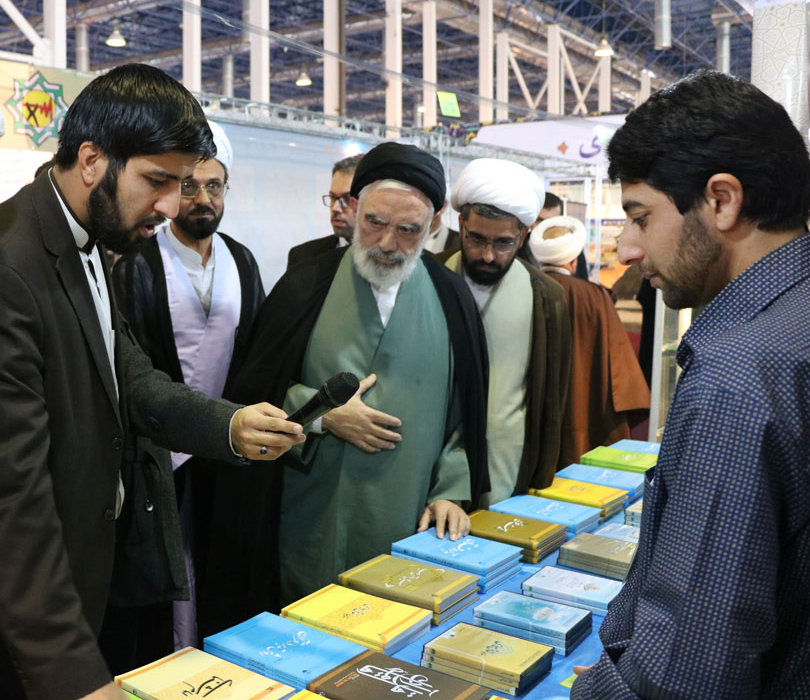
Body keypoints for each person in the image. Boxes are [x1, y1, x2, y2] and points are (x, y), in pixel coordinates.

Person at [0, 63, 305, 700]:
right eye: (158, 181)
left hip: (86, 572)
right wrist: (76, 676)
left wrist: (228, 423)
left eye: (184, 184)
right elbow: (13, 501)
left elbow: (129, 374)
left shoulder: (88, 240)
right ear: (92, 160)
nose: (170, 207)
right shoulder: (13, 266)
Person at [571, 70, 810, 698]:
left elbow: (690, 669)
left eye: (641, 216)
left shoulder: (739, 376)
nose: (627, 248)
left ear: (722, 201)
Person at [227, 141, 490, 605]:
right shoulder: (303, 285)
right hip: (310, 513)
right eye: (374, 223)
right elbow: (254, 391)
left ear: (434, 223)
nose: (387, 244)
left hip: (410, 515)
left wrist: (451, 493)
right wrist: (324, 416)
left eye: (408, 230)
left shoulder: (452, 298)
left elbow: (463, 414)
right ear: (354, 209)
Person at [107, 122, 265, 668]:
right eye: (191, 186)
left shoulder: (243, 260)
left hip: (227, 446)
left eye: (214, 186)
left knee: (220, 563)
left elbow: (256, 355)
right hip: (160, 451)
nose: (203, 199)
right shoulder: (139, 263)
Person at [438, 158, 572, 504]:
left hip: (506, 463)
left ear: (523, 235)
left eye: (503, 243)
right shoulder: (430, 277)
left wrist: (541, 475)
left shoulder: (546, 296)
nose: (487, 255)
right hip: (431, 462)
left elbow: (552, 397)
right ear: (461, 225)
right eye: (476, 239)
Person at [530, 215, 649, 464]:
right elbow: (617, 360)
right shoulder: (594, 296)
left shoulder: (524, 289)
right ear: (574, 261)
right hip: (581, 404)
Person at [286, 153, 364, 267]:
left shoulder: (385, 259)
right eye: (333, 197)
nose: (335, 208)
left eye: (347, 199)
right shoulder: (302, 257)